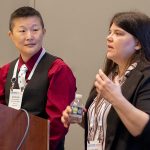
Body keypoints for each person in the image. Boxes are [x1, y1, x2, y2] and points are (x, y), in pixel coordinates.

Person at [61, 11, 150, 150]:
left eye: (118, 33)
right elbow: (110, 124)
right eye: (110, 32)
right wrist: (80, 117)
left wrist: (115, 98)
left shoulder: (146, 76)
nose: (109, 37)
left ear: (138, 43)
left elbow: (144, 129)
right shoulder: (109, 76)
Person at [0, 6, 76, 150]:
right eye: (22, 31)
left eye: (35, 30)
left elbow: (57, 123)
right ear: (11, 35)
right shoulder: (5, 71)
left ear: (44, 32)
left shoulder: (58, 69)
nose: (29, 36)